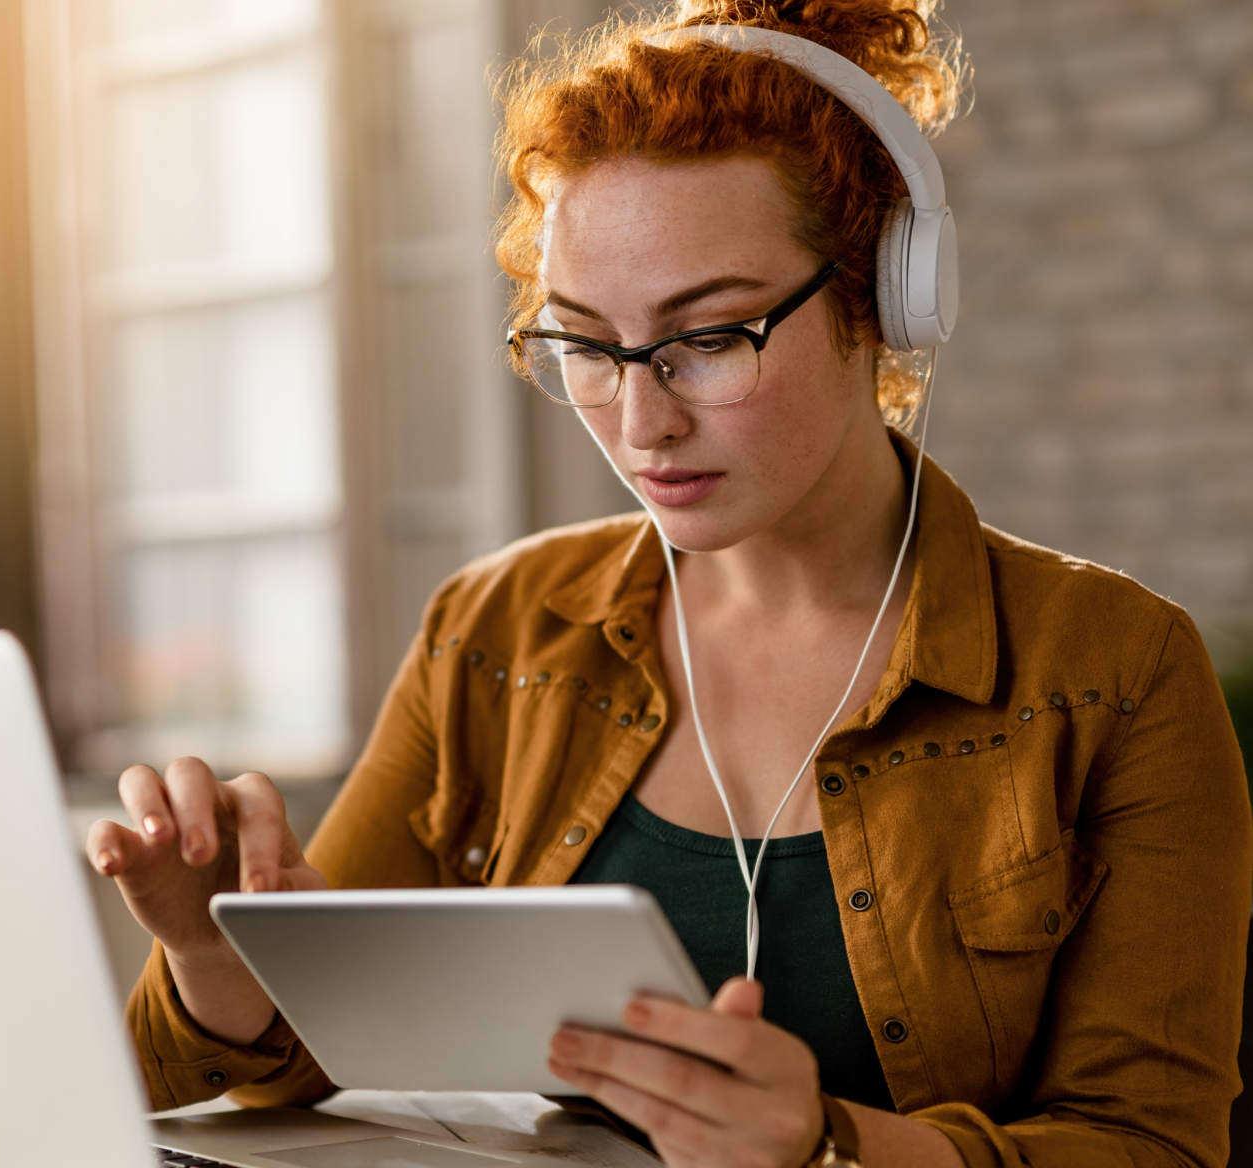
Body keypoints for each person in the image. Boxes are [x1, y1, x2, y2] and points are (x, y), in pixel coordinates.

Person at [88, 3, 1251, 1166]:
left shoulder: (1112, 673)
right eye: (586, 346)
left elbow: (1152, 1144)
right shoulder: (494, 631)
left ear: (884, 298)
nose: (641, 423)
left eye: (710, 335)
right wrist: (220, 963)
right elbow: (294, 1060)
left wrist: (829, 1146)